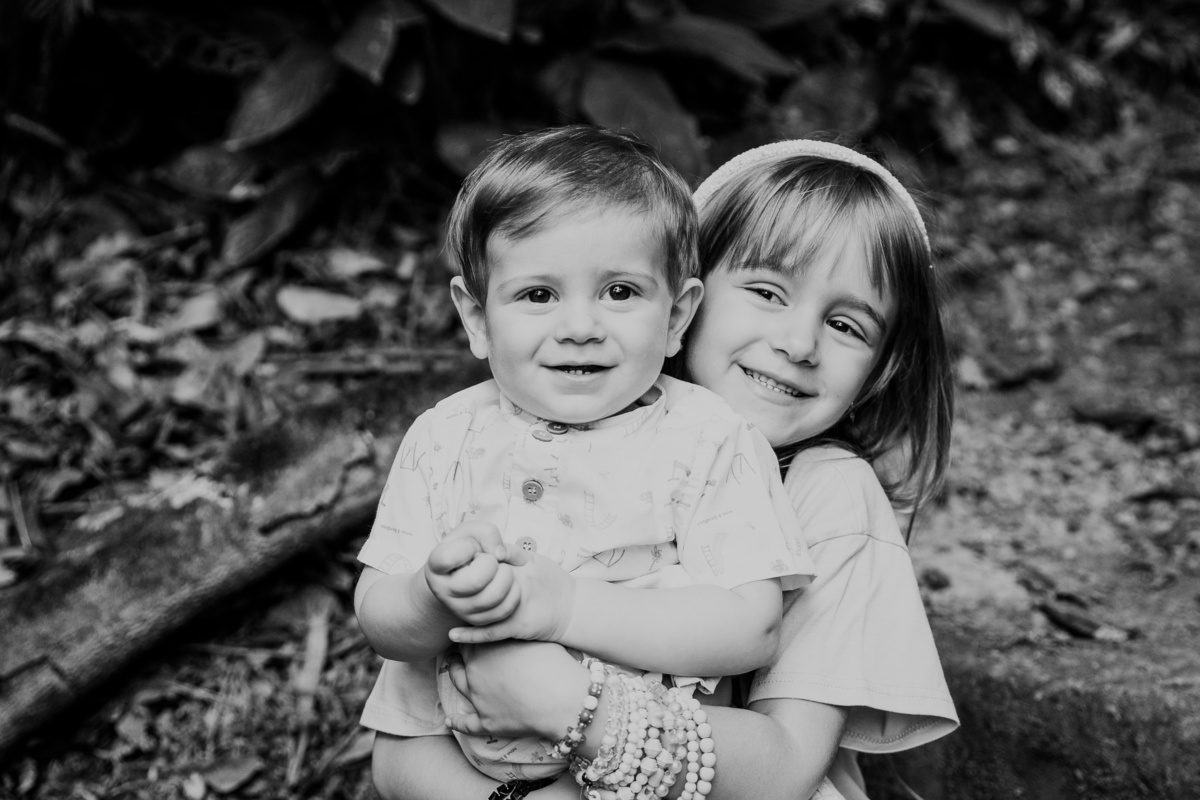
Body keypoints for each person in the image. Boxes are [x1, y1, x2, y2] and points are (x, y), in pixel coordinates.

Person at [368, 137, 960, 800]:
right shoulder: (485, 443)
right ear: (688, 299)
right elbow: (400, 751)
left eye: (848, 326)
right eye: (767, 291)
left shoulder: (830, 493)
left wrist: (570, 705)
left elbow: (784, 770)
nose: (799, 344)